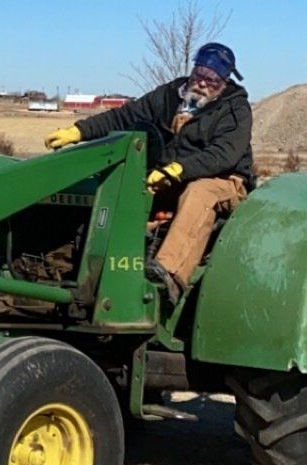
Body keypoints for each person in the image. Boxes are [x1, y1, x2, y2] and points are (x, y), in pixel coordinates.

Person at [46, 42, 254, 301]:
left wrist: (178, 169)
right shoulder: (169, 95)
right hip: (172, 176)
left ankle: (168, 274)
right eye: (200, 75)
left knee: (200, 192)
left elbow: (224, 154)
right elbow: (124, 116)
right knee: (124, 183)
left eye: (212, 80)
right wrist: (78, 132)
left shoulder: (235, 109)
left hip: (223, 181)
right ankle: (98, 268)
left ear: (223, 83)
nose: (203, 84)